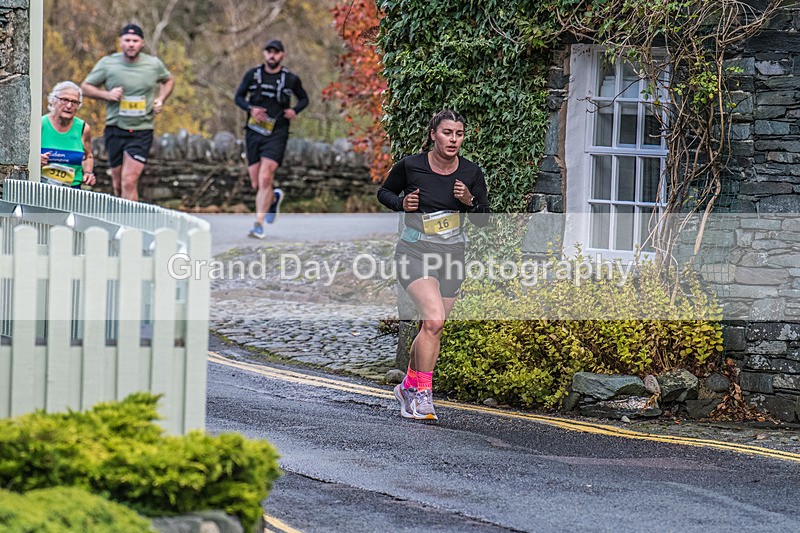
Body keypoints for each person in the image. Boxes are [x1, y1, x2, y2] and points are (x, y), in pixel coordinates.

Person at [377, 110, 490, 420]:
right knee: (435, 320)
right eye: (447, 133)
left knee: (430, 327)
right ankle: (424, 395)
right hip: (414, 252)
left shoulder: (470, 173)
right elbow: (383, 192)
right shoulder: (411, 166)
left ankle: (407, 386)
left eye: (459, 134)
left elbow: (485, 222)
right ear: (433, 135)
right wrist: (401, 203)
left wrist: (469, 202)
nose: (453, 139)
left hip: (452, 257)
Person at [81, 23, 174, 202]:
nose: (131, 44)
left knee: (129, 181)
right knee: (117, 182)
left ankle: (131, 227)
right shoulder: (108, 63)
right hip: (115, 128)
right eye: (127, 40)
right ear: (120, 42)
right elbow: (85, 87)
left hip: (142, 129)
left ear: (142, 43)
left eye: (135, 41)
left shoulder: (153, 64)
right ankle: (121, 218)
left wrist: (160, 99)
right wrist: (107, 94)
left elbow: (169, 80)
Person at [234, 38, 309, 239]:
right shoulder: (253, 75)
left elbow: (304, 99)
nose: (272, 55)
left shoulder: (290, 79)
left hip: (277, 133)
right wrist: (251, 108)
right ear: (264, 54)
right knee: (256, 183)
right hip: (254, 132)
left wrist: (295, 110)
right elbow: (238, 97)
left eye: (276, 52)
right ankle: (273, 199)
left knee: (266, 177)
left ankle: (258, 225)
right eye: (269, 51)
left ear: (282, 55)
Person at [40, 81, 96, 188]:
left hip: (72, 190)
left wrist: (88, 173)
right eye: (64, 100)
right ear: (53, 100)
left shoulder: (83, 128)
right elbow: (24, 156)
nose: (69, 106)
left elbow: (87, 156)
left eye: (74, 102)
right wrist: (35, 158)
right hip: (43, 188)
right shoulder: (40, 125)